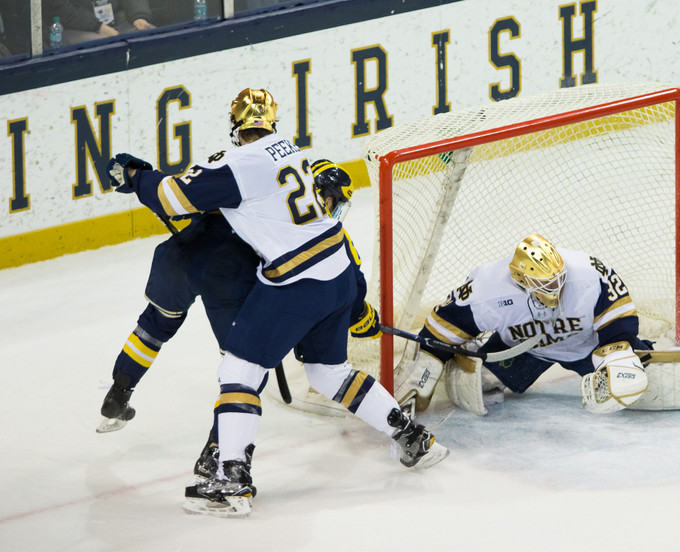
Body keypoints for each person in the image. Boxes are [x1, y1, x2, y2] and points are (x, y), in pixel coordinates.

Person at [106, 88, 448, 517]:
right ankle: (413, 437)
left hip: (295, 282)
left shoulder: (240, 162)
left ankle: (229, 484)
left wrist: (137, 176)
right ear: (272, 122)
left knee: (239, 371)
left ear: (236, 127)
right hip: (339, 271)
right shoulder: (292, 152)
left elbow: (174, 199)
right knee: (328, 374)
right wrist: (356, 308)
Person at [394, 234, 654, 416]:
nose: (558, 288)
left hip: (586, 345)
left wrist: (619, 351)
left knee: (640, 382)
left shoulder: (587, 273)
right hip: (523, 350)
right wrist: (426, 369)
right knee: (476, 386)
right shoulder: (488, 289)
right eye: (547, 285)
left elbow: (619, 314)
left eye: (559, 279)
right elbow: (444, 324)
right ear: (523, 280)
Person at [43, 0, 156, 46]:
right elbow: (59, 8)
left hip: (112, 17)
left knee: (148, 34)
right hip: (72, 26)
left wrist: (138, 16)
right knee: (102, 47)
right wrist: (98, 27)